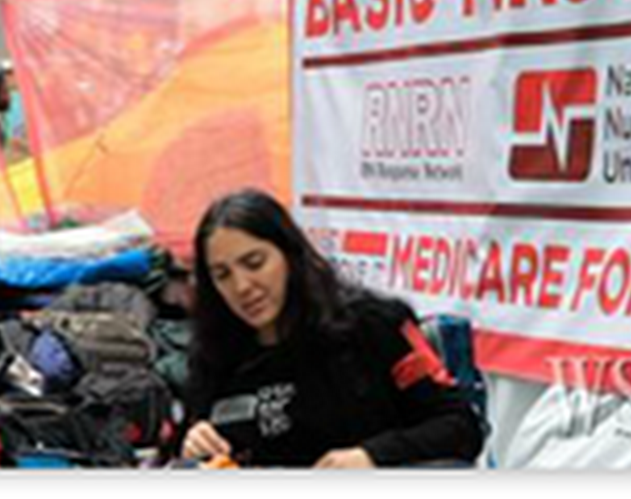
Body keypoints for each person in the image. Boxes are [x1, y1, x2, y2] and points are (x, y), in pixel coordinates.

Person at [180, 188, 486, 468]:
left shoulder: (373, 325)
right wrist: (195, 442)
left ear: (289, 255)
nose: (242, 286)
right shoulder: (212, 352)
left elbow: (460, 426)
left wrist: (371, 456)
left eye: (255, 263)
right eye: (222, 275)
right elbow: (190, 440)